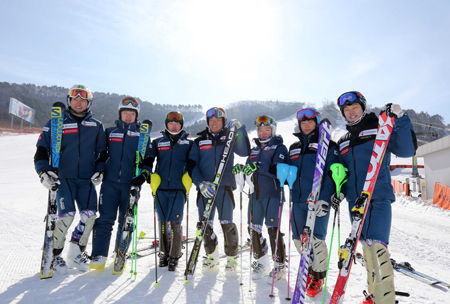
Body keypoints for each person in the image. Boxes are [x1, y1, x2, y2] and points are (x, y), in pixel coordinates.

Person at [335, 91, 417, 304]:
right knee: (366, 250)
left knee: (378, 250)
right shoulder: (343, 141)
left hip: (377, 196)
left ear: (363, 108)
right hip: (355, 201)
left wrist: (400, 117)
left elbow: (407, 150)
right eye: (347, 110)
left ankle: (385, 299)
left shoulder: (380, 128)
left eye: (355, 108)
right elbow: (342, 173)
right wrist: (338, 192)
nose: (351, 113)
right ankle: (373, 293)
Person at [34, 84, 106, 273]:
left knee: (89, 217)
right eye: (75, 99)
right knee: (66, 217)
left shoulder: (97, 126)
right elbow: (41, 150)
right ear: (69, 100)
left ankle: (75, 252)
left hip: (87, 180)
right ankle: (55, 256)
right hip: (63, 178)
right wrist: (43, 172)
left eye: (83, 100)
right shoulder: (56, 122)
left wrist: (100, 170)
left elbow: (102, 154)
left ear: (88, 102)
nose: (79, 103)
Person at [89, 97, 152, 270]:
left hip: (131, 185)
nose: (129, 116)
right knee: (105, 220)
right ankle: (99, 256)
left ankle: (120, 253)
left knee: (126, 221)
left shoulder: (143, 135)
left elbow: (149, 159)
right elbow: (102, 154)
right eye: (125, 113)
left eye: (132, 113)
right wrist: (100, 169)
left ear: (136, 115)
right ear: (120, 113)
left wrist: (143, 176)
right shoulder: (110, 132)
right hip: (109, 184)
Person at [188, 107, 250, 275]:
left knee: (226, 223)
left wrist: (240, 130)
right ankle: (212, 257)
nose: (214, 122)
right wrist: (200, 183)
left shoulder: (228, 137)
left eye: (218, 120)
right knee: (205, 224)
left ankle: (231, 259)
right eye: (211, 120)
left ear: (223, 122)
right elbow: (191, 165)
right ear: (208, 122)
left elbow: (244, 151)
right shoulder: (199, 141)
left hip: (225, 187)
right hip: (205, 188)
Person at [287, 108, 337, 298]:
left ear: (316, 122)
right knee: (299, 240)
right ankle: (307, 269)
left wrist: (325, 198)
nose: (306, 125)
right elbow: (291, 174)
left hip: (317, 201)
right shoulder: (294, 147)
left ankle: (317, 278)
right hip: (298, 200)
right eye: (303, 122)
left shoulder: (328, 146)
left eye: (310, 121)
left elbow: (332, 174)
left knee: (316, 241)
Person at [233, 115, 289, 282]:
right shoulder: (254, 149)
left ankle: (279, 264)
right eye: (260, 130)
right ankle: (261, 258)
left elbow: (280, 170)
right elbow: (249, 169)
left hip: (272, 193)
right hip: (254, 194)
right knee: (253, 228)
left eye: (267, 130)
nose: (263, 133)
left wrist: (260, 166)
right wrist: (241, 170)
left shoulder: (280, 147)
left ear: (273, 130)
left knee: (273, 229)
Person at [147, 111, 194, 271]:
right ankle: (164, 253)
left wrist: (191, 177)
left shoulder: (189, 144)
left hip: (179, 189)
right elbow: (149, 159)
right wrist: (147, 173)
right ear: (166, 124)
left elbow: (193, 163)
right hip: (160, 189)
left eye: (177, 123)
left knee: (175, 222)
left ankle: (174, 255)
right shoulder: (158, 142)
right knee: (162, 222)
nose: (174, 126)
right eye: (171, 123)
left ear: (181, 125)